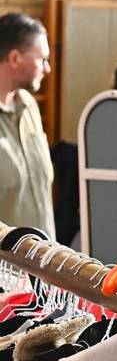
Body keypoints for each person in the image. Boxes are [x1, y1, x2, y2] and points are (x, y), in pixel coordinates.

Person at [0, 12, 53, 234]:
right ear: (15, 58)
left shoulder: (29, 106)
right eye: (42, 59)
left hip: (44, 262)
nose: (47, 69)